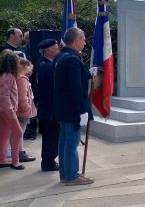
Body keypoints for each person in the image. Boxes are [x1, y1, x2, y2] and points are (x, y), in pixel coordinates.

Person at [52, 27, 94, 185]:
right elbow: (75, 87)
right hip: (72, 109)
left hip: (62, 107)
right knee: (71, 143)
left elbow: (66, 80)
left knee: (63, 142)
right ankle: (72, 176)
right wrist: (82, 110)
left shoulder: (60, 56)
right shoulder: (73, 59)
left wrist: (88, 72)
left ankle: (65, 174)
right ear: (76, 40)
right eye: (83, 39)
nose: (84, 42)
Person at [36, 39, 60, 171]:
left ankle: (49, 160)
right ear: (48, 50)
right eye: (56, 47)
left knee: (52, 136)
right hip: (48, 109)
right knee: (50, 137)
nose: (58, 49)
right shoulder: (44, 65)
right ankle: (48, 162)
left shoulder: (48, 63)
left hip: (51, 108)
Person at [0, 50, 24, 170]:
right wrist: (10, 111)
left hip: (4, 109)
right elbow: (4, 96)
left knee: (4, 134)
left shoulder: (4, 75)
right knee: (18, 132)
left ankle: (2, 159)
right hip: (7, 110)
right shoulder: (8, 76)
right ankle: (15, 161)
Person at [16, 58, 37, 163]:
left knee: (18, 132)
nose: (30, 71)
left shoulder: (17, 77)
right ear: (24, 67)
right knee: (20, 132)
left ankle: (18, 152)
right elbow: (22, 96)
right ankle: (19, 153)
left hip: (19, 110)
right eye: (29, 68)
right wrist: (27, 108)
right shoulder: (22, 79)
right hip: (22, 111)